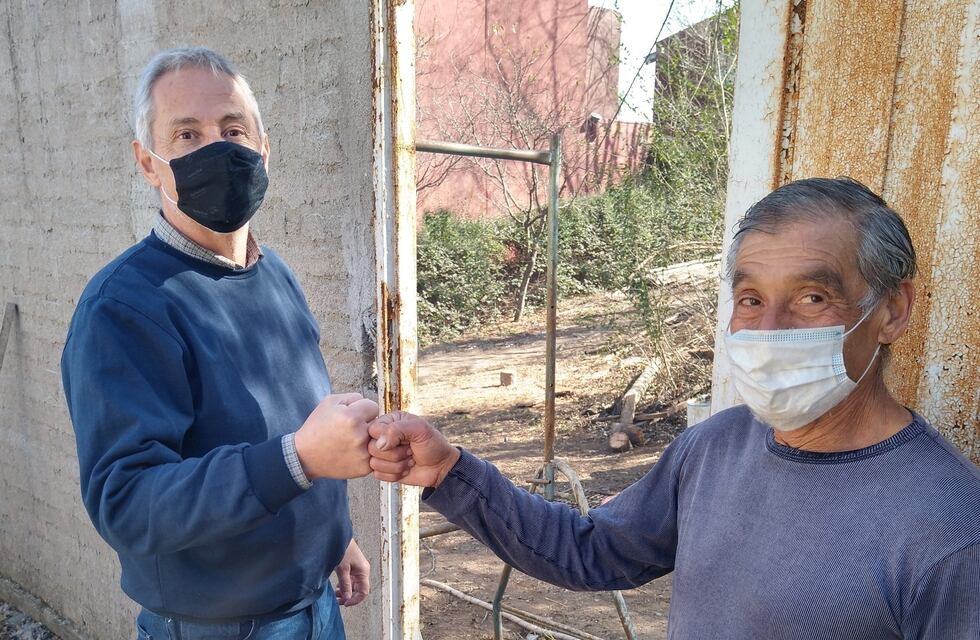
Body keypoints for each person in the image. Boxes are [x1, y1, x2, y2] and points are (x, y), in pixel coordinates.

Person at [368, 178, 980, 639]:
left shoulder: (949, 524)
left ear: (892, 311)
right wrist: (450, 472)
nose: (768, 330)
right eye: (750, 298)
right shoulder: (714, 447)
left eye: (812, 296)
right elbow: (591, 549)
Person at [61, 48, 382, 639]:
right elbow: (127, 501)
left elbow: (283, 422)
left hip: (315, 606)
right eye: (186, 134)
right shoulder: (125, 307)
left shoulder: (273, 273)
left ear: (264, 149)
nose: (217, 148)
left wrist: (334, 538)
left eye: (233, 130)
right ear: (147, 162)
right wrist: (301, 460)